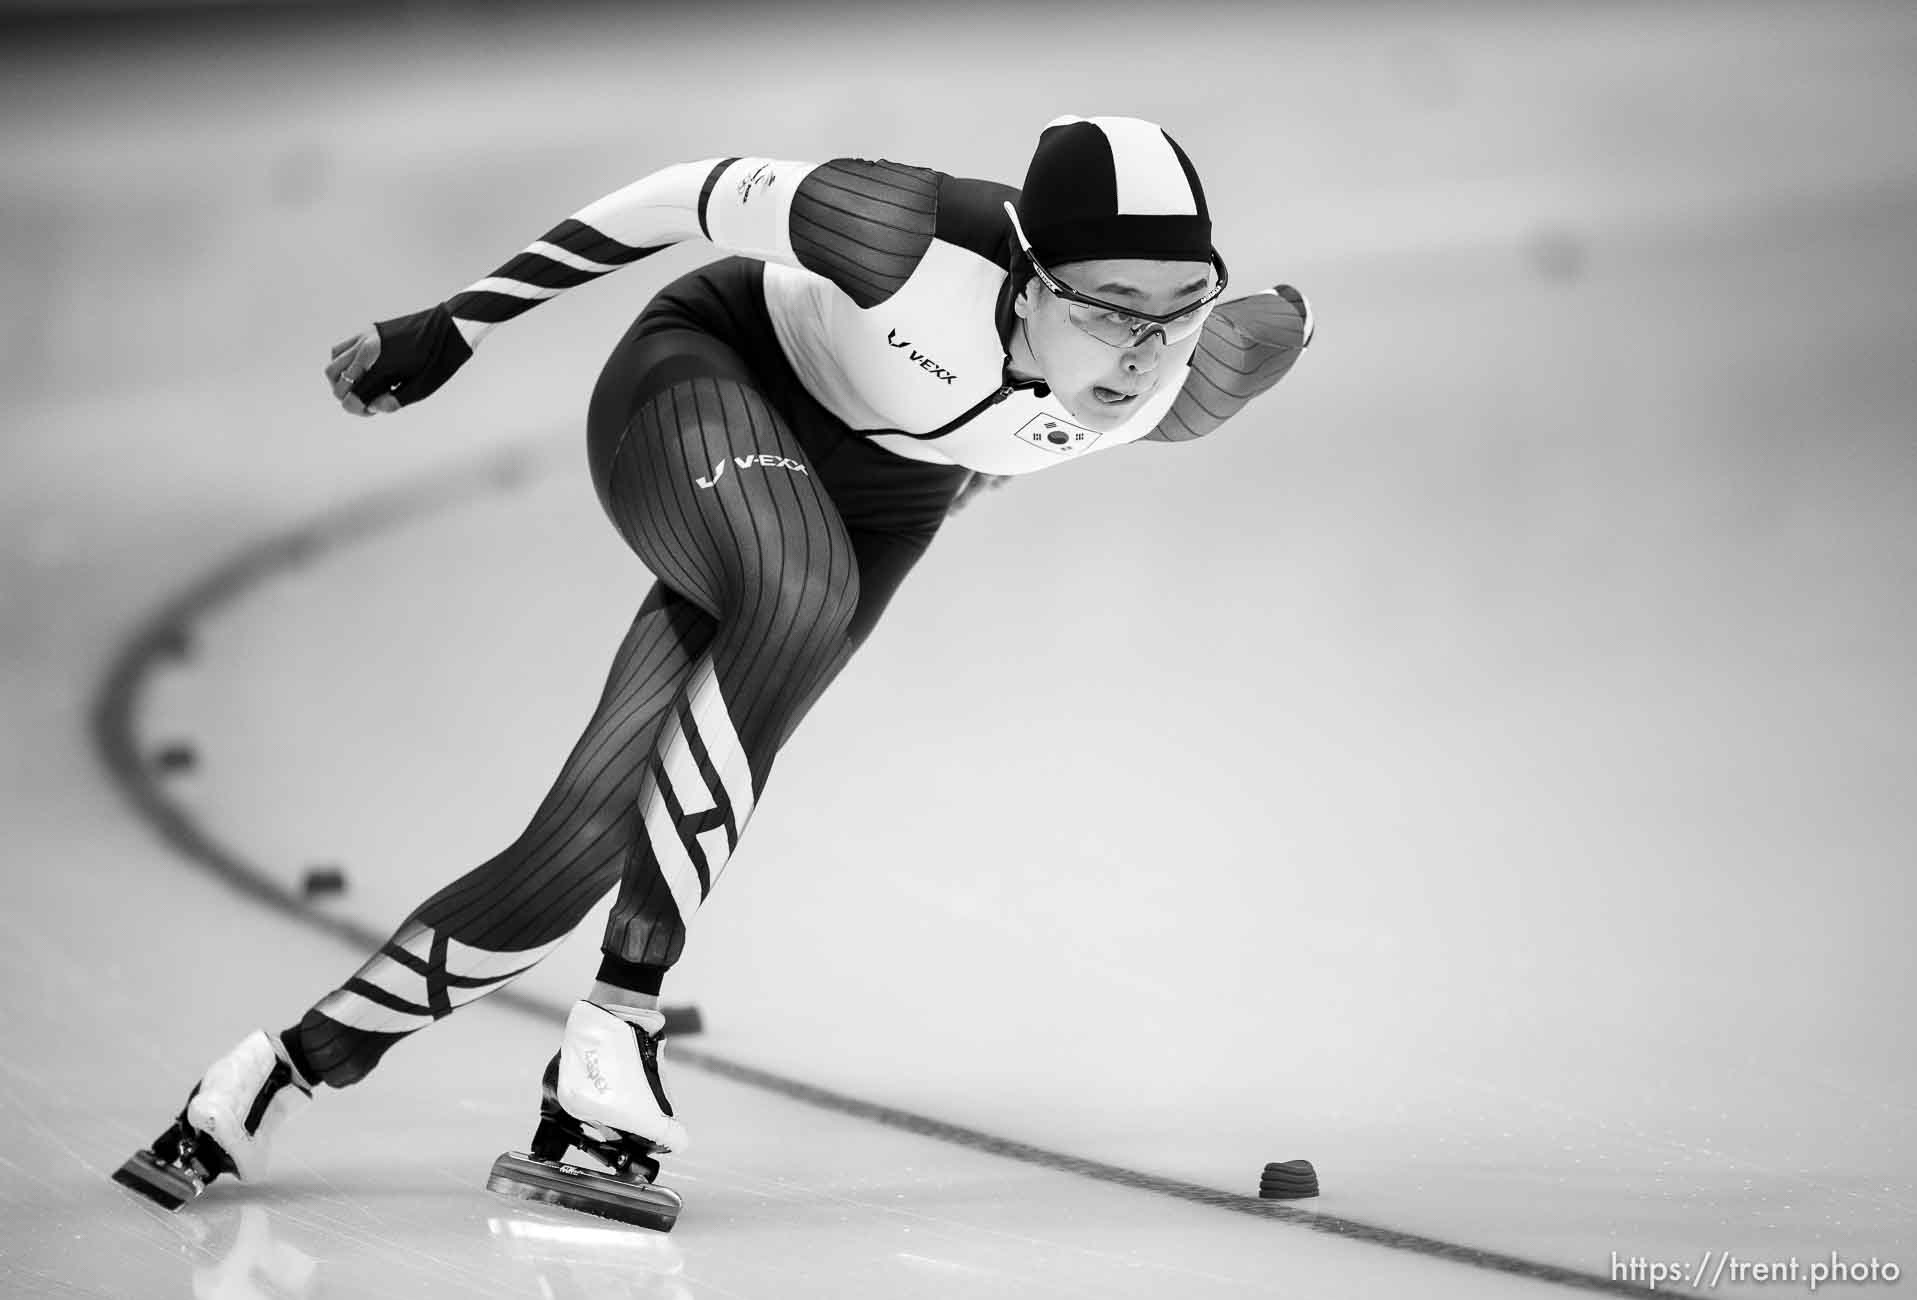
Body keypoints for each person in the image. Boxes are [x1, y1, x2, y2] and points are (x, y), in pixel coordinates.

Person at [115, 114, 1313, 1230]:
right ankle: (621, 1016)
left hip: (876, 503)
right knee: (802, 589)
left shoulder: (1193, 375)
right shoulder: (905, 231)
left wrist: (1027, 433)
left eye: (1180, 307)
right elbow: (676, 196)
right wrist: (457, 322)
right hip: (706, 380)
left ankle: (274, 1071)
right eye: (1108, 309)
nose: (1146, 347)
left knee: (579, 843)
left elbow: (1221, 344)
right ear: (1025, 272)